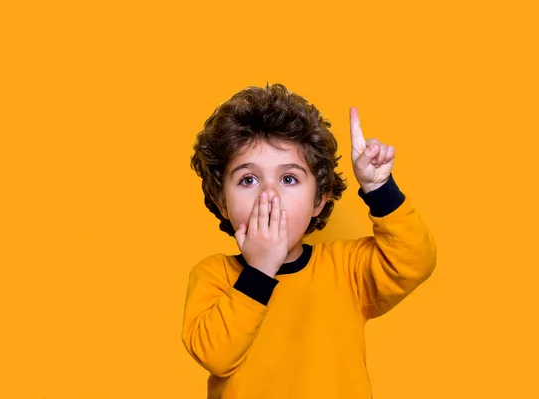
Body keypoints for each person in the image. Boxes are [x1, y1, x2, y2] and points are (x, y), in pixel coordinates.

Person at [181, 83, 437, 399]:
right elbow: (215, 355)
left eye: (289, 178)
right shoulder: (213, 276)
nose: (269, 195)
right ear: (221, 200)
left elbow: (414, 260)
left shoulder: (346, 269)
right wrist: (259, 270)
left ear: (319, 199)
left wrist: (379, 188)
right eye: (249, 179)